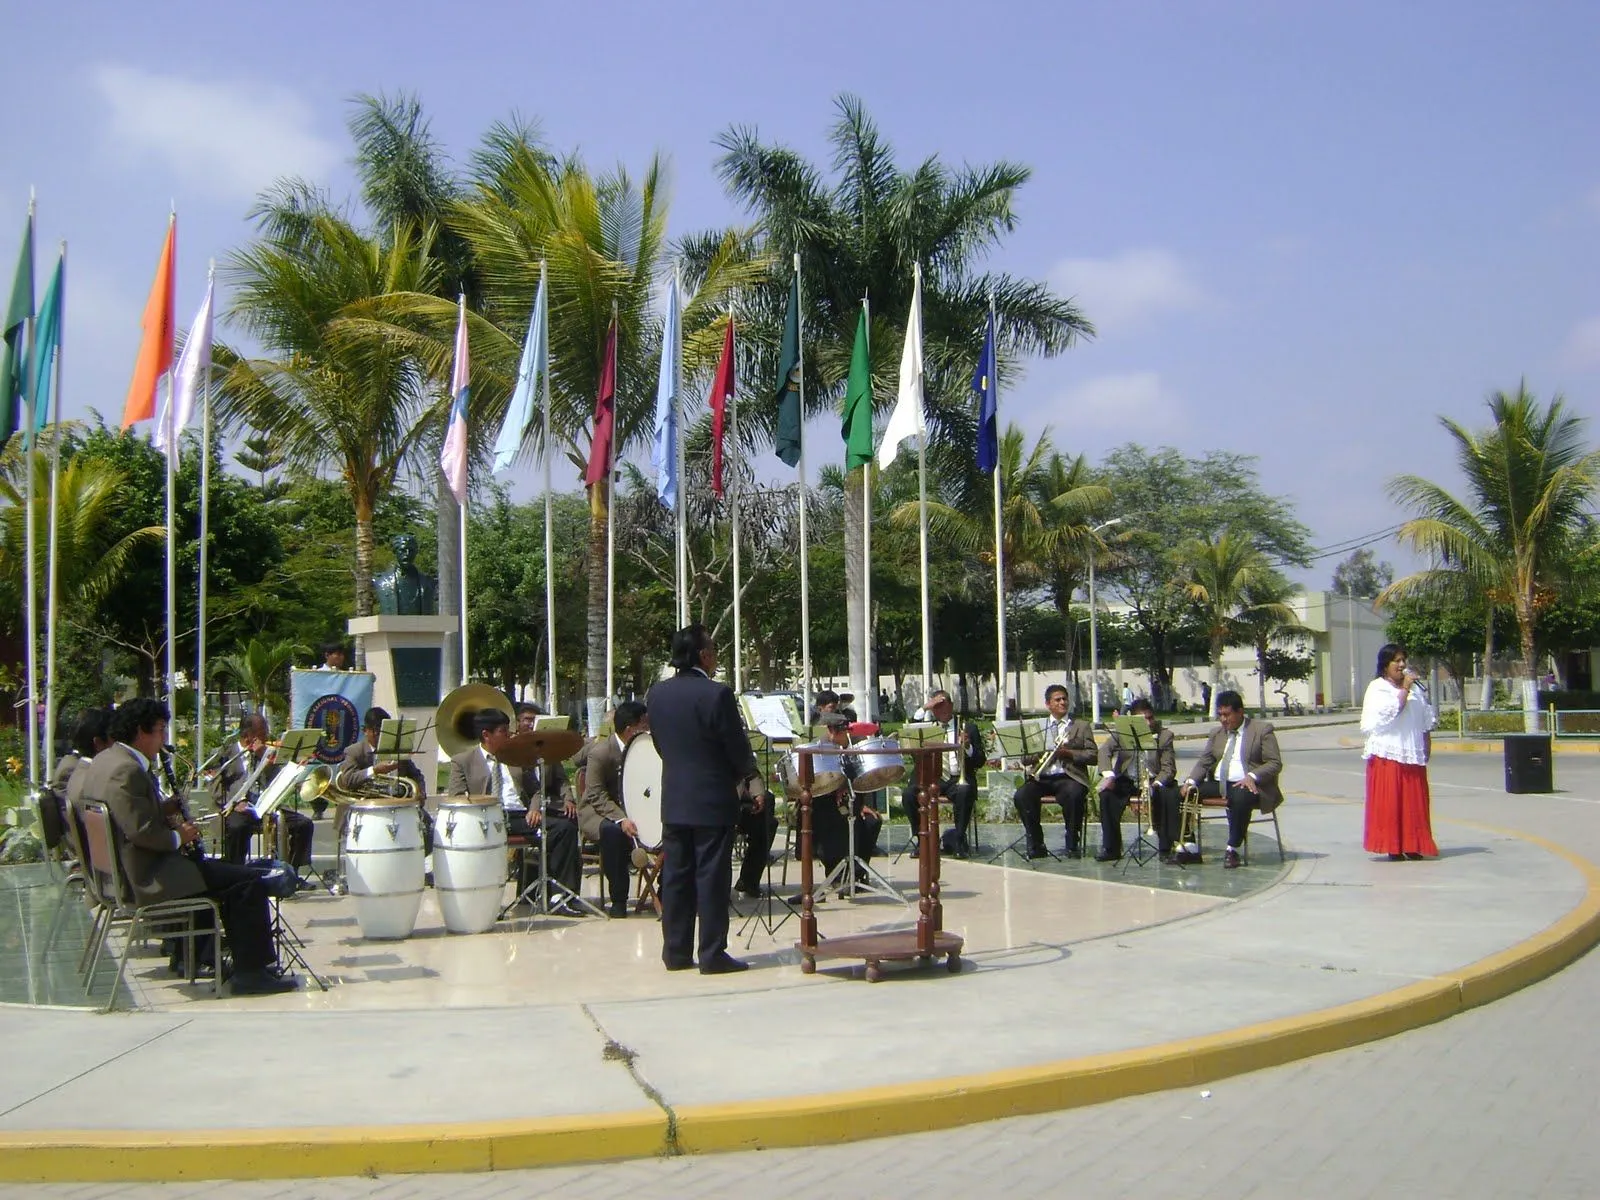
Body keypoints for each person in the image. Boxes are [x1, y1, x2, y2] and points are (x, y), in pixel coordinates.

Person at [78, 698, 295, 995]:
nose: (163, 738)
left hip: (125, 871)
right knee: (246, 881)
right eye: (160, 730)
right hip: (146, 877)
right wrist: (182, 835)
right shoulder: (126, 771)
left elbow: (129, 815)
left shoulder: (105, 761)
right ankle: (252, 973)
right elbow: (141, 832)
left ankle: (221, 959)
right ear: (141, 732)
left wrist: (163, 808)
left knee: (228, 874)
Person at [645, 623, 762, 974]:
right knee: (711, 877)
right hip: (712, 798)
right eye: (712, 649)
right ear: (703, 655)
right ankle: (712, 953)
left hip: (676, 797)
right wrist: (745, 774)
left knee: (676, 877)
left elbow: (660, 746)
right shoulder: (717, 694)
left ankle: (676, 952)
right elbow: (737, 748)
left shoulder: (657, 693)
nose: (715, 655)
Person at [447, 708, 582, 912]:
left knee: (564, 828)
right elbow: (456, 797)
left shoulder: (515, 757)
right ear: (486, 735)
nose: (509, 735)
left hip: (519, 815)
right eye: (503, 731)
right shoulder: (463, 761)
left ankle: (560, 895)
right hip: (487, 817)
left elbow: (536, 789)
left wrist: (534, 809)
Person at [1180, 690, 1285, 869]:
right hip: (1219, 783)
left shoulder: (1261, 730)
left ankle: (1232, 848)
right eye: (1220, 715)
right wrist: (1190, 781)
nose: (1223, 719)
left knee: (1240, 797)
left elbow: (1275, 763)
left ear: (1240, 712)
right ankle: (1189, 847)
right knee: (1182, 793)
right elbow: (1205, 761)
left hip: (1248, 784)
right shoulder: (1217, 733)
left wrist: (1252, 776)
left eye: (1227, 715)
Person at [1360, 643, 1438, 861]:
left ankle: (1413, 844)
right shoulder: (1378, 688)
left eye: (1404, 660)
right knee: (1391, 803)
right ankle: (1393, 847)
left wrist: (1426, 743)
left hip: (1411, 753)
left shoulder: (1415, 690)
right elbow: (1392, 711)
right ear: (1385, 665)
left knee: (1413, 803)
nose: (1402, 665)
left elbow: (1425, 719)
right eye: (1397, 661)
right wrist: (1404, 688)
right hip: (1387, 755)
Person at [213, 714, 314, 869]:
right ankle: (237, 871)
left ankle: (291, 873)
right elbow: (213, 785)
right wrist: (232, 803)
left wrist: (264, 758)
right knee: (237, 827)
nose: (266, 737)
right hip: (239, 808)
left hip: (265, 805)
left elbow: (276, 780)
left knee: (304, 825)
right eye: (262, 734)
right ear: (248, 736)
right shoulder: (227, 754)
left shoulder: (267, 753)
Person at [578, 700, 647, 917]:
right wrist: (621, 819)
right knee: (613, 833)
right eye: (644, 726)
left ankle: (664, 891)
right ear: (630, 729)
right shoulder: (601, 753)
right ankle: (618, 899)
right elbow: (596, 795)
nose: (648, 730)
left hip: (635, 808)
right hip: (599, 812)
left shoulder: (647, 748)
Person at [1011, 684, 1096, 859]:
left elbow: (1093, 755)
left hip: (1069, 776)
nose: (1062, 702)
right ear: (1048, 704)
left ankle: (1072, 841)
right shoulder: (1038, 727)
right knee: (1022, 796)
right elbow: (1025, 759)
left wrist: (1067, 753)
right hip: (1042, 776)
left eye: (1065, 699)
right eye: (1057, 700)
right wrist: (1039, 752)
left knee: (1074, 795)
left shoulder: (1080, 726)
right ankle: (1036, 842)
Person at [900, 690, 984, 857]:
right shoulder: (927, 728)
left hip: (956, 777)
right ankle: (922, 839)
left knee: (964, 791)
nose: (941, 709)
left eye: (943, 704)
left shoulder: (968, 727)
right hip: (931, 777)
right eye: (936, 706)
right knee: (909, 795)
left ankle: (959, 840)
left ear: (951, 705)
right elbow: (909, 731)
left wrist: (967, 747)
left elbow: (980, 760)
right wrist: (924, 707)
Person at [1095, 697, 1180, 862]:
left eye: (1150, 718)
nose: (1148, 723)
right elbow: (1104, 751)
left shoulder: (1165, 735)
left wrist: (1155, 784)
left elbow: (1168, 768)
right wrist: (1109, 775)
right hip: (1129, 779)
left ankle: (1165, 848)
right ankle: (1111, 848)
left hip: (1154, 779)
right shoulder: (1123, 733)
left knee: (1168, 795)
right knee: (1107, 796)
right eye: (1143, 720)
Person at [338, 706, 432, 853]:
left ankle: (418, 864)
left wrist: (420, 792)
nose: (378, 735)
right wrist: (374, 770)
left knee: (428, 826)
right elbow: (347, 780)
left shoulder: (396, 750)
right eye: (374, 731)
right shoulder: (354, 751)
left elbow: (416, 775)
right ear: (365, 730)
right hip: (368, 810)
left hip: (398, 807)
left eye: (382, 731)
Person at [813, 712, 883, 879]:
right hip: (825, 803)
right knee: (834, 824)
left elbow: (861, 779)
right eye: (841, 732)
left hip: (851, 803)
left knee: (871, 821)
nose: (846, 735)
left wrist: (861, 804)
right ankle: (836, 873)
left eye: (846, 731)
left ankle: (857, 872)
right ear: (830, 731)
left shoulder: (853, 747)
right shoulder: (821, 749)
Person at [373, 533, 438, 615]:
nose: (407, 554)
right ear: (395, 551)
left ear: (416, 552)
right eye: (403, 550)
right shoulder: (382, 581)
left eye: (411, 550)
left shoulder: (428, 582)